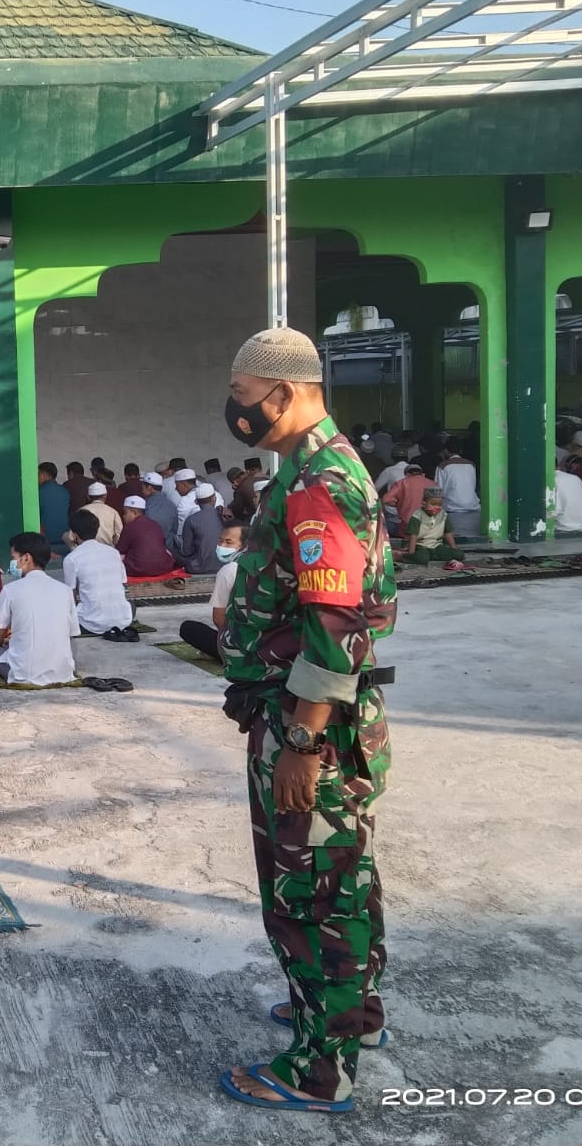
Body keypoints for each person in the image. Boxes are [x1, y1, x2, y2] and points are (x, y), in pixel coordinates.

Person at [216, 327, 395, 1112]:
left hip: (309, 725)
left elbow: (335, 623)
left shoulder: (319, 483)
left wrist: (299, 739)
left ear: (285, 394)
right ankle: (354, 1016)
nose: (235, 409)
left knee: (309, 893)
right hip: (314, 717)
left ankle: (322, 1070)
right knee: (343, 877)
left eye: (242, 395)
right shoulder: (313, 470)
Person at [0, 532, 78, 686]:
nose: (12, 562)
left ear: (26, 558)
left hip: (24, 672)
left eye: (14, 558)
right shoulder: (65, 590)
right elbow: (72, 636)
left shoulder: (10, 590)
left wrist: (8, 643)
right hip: (63, 671)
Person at [178, 523, 245, 662]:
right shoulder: (267, 565)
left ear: (244, 545)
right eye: (220, 540)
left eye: (229, 542)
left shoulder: (229, 570)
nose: (222, 546)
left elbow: (219, 619)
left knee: (189, 629)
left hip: (242, 647)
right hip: (270, 645)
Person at [62, 509, 133, 638]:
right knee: (130, 605)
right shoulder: (113, 553)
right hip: (123, 620)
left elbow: (70, 597)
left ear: (74, 535)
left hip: (90, 623)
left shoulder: (71, 559)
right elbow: (123, 584)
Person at [399, 489, 466, 565]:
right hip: (420, 545)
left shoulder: (443, 515)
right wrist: (411, 554)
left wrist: (454, 548)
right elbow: (413, 536)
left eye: (439, 505)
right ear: (424, 504)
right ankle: (400, 556)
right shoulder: (417, 516)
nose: (436, 507)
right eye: (433, 504)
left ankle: (431, 555)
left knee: (459, 555)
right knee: (422, 558)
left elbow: (448, 533)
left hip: (436, 545)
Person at [115, 496, 175, 577]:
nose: (123, 516)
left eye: (125, 513)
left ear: (134, 513)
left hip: (138, 570)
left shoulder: (130, 526)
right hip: (162, 568)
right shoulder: (155, 524)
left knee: (116, 557)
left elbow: (120, 550)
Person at [434, 441, 481, 537]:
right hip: (473, 506)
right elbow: (473, 485)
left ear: (446, 451)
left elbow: (438, 490)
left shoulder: (442, 466)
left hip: (452, 508)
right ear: (460, 450)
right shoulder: (471, 465)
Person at [177, 482, 225, 575]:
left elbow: (187, 551)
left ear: (196, 502)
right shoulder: (224, 516)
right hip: (223, 565)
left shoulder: (191, 520)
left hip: (199, 568)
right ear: (214, 499)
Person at [138, 471, 182, 559]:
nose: (141, 490)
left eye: (143, 487)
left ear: (149, 488)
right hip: (169, 552)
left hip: (148, 553)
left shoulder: (144, 506)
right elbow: (174, 529)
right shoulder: (172, 505)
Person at [381, 463, 432, 538]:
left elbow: (385, 499)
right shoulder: (432, 483)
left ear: (407, 475)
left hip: (406, 528)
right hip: (429, 528)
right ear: (423, 474)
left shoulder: (401, 483)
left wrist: (400, 504)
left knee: (384, 524)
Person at [76, 481, 122, 546]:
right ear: (105, 496)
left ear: (88, 497)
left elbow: (71, 535)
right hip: (107, 549)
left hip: (86, 549)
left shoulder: (81, 510)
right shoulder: (113, 512)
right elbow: (119, 535)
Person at [553, 459, 582, 533]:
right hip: (581, 523)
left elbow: (556, 510)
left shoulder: (550, 479)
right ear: (558, 466)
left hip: (562, 526)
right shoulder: (575, 478)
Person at [37, 462, 71, 544]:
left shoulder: (38, 492)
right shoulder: (65, 491)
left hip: (46, 540)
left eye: (38, 474)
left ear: (44, 474)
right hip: (65, 539)